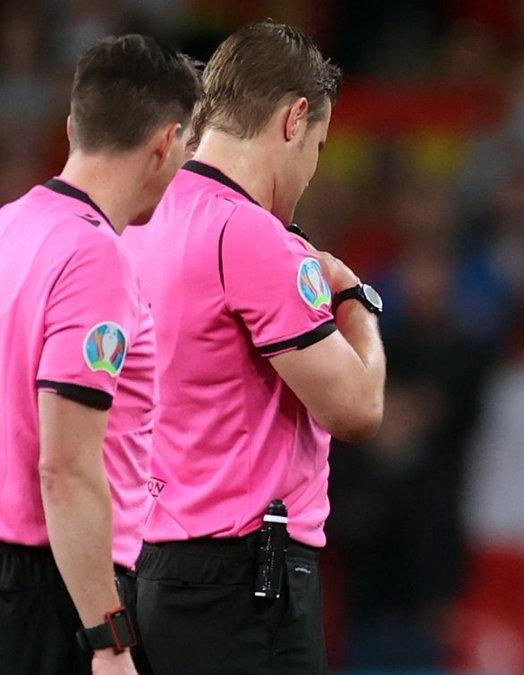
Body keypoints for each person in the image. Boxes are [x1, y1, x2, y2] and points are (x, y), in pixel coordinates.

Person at [123, 21, 386, 672]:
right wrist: (357, 301)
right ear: (294, 120)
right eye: (319, 145)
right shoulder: (253, 236)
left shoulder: (139, 218)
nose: (311, 167)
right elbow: (358, 409)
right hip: (241, 584)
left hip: (151, 565)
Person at [0, 34, 201, 674]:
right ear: (166, 144)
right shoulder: (96, 259)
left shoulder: (8, 227)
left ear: (71, 126)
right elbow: (65, 468)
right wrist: (107, 640)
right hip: (52, 588)